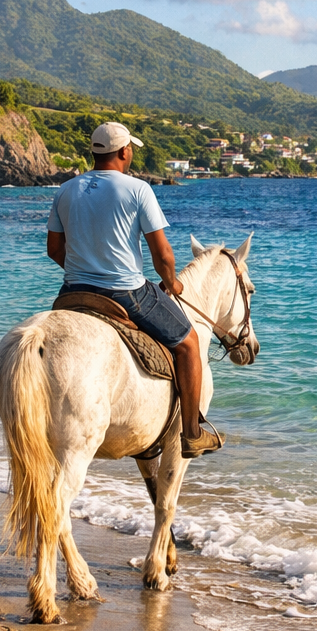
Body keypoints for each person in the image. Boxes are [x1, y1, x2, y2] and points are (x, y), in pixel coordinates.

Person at [46, 122, 223, 458]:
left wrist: (83, 271)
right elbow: (163, 255)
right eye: (131, 150)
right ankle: (192, 433)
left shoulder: (66, 190)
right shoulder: (138, 189)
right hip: (126, 292)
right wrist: (172, 283)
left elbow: (54, 249)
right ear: (124, 151)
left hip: (72, 291)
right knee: (189, 344)